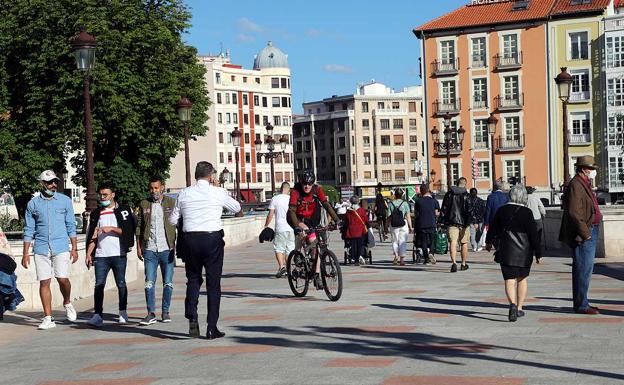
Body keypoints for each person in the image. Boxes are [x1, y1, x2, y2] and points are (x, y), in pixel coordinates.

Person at [169, 162, 240, 339]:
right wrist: (219, 189)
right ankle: (211, 327)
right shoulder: (217, 192)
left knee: (193, 279)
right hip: (212, 239)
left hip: (190, 240)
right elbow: (237, 208)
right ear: (210, 176)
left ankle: (192, 315)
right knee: (213, 283)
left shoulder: (184, 193)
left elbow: (172, 220)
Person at [22, 170, 78, 330]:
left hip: (60, 246)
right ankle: (48, 318)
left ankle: (67, 302)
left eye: (55, 182)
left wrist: (74, 248)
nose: (53, 185)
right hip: (40, 247)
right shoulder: (33, 204)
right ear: (42, 183)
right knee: (44, 282)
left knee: (62, 279)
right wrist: (25, 253)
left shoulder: (65, 201)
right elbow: (28, 229)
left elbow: (71, 226)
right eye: (49, 182)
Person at [486, 185, 542, 322]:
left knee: (509, 280)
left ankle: (511, 304)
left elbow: (493, 228)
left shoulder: (501, 210)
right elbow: (533, 235)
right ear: (523, 196)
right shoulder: (527, 212)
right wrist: (538, 253)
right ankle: (520, 307)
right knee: (522, 279)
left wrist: (488, 242)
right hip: (524, 251)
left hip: (506, 250)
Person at [85, 182, 136, 327]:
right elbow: (92, 236)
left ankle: (123, 312)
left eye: (105, 195)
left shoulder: (123, 211)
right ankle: (97, 315)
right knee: (99, 285)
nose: (103, 197)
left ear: (113, 195)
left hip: (118, 253)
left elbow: (128, 232)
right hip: (101, 255)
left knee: (121, 283)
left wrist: (111, 229)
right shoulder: (96, 214)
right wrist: (89, 253)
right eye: (101, 195)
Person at [559, 156, 603, 315]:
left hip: (590, 229)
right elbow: (574, 212)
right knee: (583, 269)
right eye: (592, 169)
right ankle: (581, 305)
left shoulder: (584, 183)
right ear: (584, 169)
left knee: (586, 269)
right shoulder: (576, 185)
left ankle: (583, 302)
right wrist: (586, 234)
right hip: (584, 233)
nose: (593, 172)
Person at [135, 175, 177, 326]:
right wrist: (139, 246)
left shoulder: (171, 203)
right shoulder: (144, 204)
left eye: (156, 188)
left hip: (167, 249)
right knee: (149, 282)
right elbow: (139, 227)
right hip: (150, 249)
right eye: (151, 188)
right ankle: (150, 313)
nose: (154, 191)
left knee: (168, 283)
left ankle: (165, 311)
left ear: (162, 187)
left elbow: (178, 223)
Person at [287, 170, 340, 289]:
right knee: (304, 231)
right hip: (296, 218)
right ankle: (297, 253)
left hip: (312, 219)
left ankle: (316, 274)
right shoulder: (295, 192)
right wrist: (296, 227)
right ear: (301, 183)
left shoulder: (317, 190)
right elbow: (291, 211)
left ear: (313, 184)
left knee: (316, 245)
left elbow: (326, 205)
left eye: (310, 184)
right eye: (305, 183)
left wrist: (337, 220)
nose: (307, 186)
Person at [264, 182, 295, 278]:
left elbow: (270, 214)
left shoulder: (275, 199)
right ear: (288, 190)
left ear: (281, 188)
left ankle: (282, 267)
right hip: (291, 228)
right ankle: (289, 268)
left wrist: (266, 225)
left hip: (280, 228)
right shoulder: (291, 199)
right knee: (289, 249)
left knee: (279, 248)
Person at [441, 177, 470, 272]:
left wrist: (442, 221)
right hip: (464, 223)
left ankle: (454, 263)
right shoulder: (467, 195)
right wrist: (469, 221)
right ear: (465, 184)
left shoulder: (449, 194)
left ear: (457, 183)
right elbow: (469, 210)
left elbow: (444, 208)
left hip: (452, 222)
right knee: (464, 243)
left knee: (453, 242)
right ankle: (463, 263)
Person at [414, 184, 439, 265]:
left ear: (421, 191)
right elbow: (436, 213)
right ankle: (431, 252)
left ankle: (426, 257)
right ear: (428, 190)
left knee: (424, 242)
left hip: (422, 224)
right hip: (431, 223)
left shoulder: (418, 201)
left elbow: (416, 214)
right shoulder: (434, 201)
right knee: (432, 240)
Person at [387, 189, 412, 266]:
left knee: (395, 241)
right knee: (402, 241)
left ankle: (396, 256)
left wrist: (386, 226)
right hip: (403, 224)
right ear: (402, 195)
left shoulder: (391, 204)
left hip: (394, 224)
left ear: (395, 195)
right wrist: (410, 226)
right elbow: (408, 216)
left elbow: (388, 217)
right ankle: (402, 260)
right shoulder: (405, 204)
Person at [343, 195, 368, 266]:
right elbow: (366, 220)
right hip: (360, 230)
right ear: (358, 201)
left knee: (353, 245)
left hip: (351, 230)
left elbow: (346, 221)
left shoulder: (348, 211)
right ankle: (360, 255)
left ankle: (355, 258)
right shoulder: (362, 210)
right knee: (361, 244)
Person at [526, 186, 546, 255]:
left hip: (528, 219)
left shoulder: (524, 198)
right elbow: (541, 207)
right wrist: (543, 214)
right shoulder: (536, 197)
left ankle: (530, 247)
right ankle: (537, 247)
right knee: (538, 234)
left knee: (529, 234)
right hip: (537, 217)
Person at [467, 188, 486, 252]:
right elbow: (483, 211)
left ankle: (474, 246)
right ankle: (479, 245)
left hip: (471, 220)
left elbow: (468, 211)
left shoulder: (468, 201)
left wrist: (474, 220)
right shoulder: (481, 201)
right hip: (480, 219)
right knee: (479, 233)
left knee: (473, 233)